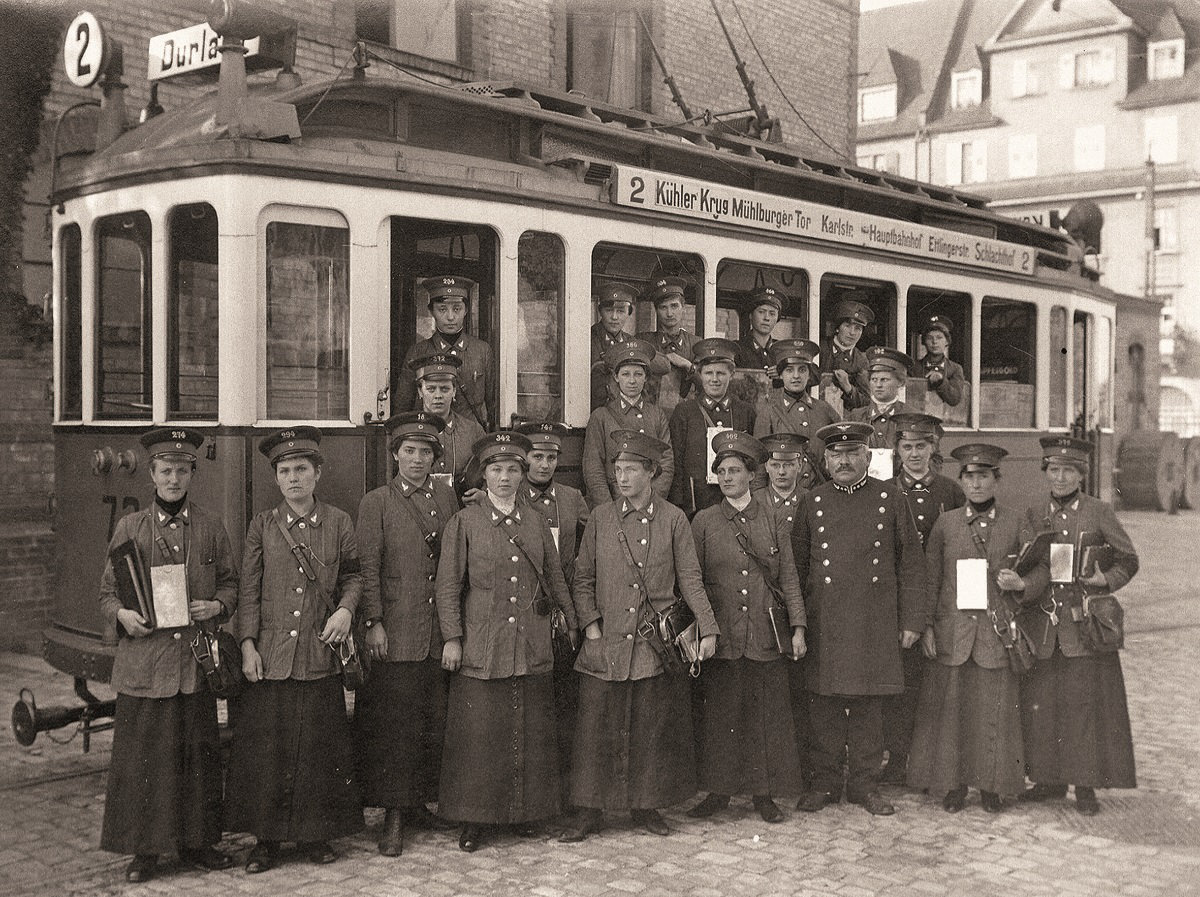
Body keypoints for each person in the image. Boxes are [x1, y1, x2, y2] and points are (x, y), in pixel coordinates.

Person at [561, 430, 719, 841]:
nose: (622, 477)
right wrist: (591, 626)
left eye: (631, 469)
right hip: (606, 641)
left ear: (651, 472)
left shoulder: (673, 519)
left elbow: (691, 579)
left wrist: (708, 628)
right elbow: (582, 579)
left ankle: (645, 807)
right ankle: (589, 811)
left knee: (650, 726)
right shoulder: (600, 517)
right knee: (596, 729)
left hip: (654, 646)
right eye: (617, 469)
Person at [97, 428, 238, 883]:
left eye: (182, 470)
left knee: (198, 758)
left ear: (192, 474)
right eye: (165, 471)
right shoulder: (130, 528)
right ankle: (145, 852)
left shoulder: (211, 526)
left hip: (194, 664)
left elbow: (231, 585)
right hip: (146, 664)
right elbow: (105, 593)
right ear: (153, 476)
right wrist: (122, 616)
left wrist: (216, 606)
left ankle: (200, 844)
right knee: (145, 761)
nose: (173, 478)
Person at [228, 427, 363, 873]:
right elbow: (248, 591)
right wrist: (248, 646)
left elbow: (354, 577)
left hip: (317, 654)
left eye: (301, 469)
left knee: (318, 748)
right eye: (284, 471)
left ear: (318, 473)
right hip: (270, 658)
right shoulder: (262, 526)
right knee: (269, 751)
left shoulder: (340, 523)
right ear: (276, 479)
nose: (293, 478)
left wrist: (345, 611)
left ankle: (315, 835)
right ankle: (265, 841)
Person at [436, 432, 578, 852]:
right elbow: (448, 587)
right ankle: (475, 819)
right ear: (484, 473)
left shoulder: (534, 521)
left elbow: (554, 577)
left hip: (530, 642)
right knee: (480, 734)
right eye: (496, 469)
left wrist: (570, 621)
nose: (504, 477)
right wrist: (452, 638)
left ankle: (524, 814)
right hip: (483, 643)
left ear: (523, 473)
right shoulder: (464, 522)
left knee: (527, 729)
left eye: (512, 469)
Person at [791, 421, 926, 817]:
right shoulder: (812, 502)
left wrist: (912, 622)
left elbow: (912, 565)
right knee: (824, 705)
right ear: (825, 460)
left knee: (869, 705)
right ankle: (826, 782)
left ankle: (866, 785)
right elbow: (797, 569)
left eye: (852, 453)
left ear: (868, 456)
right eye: (836, 454)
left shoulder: (890, 497)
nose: (844, 461)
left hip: (874, 620)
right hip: (826, 620)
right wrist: (798, 624)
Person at [908, 444, 1048, 814]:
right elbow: (930, 578)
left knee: (994, 714)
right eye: (969, 477)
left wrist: (1021, 584)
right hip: (953, 633)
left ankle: (992, 786)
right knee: (953, 713)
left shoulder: (1017, 521)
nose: (977, 484)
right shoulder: (947, 523)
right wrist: (926, 627)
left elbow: (1041, 570)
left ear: (997, 480)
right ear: (962, 481)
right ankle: (953, 785)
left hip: (996, 634)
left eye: (984, 476)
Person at [354, 412, 459, 857]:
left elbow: (453, 563)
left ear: (436, 458)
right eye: (409, 451)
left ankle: (418, 803)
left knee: (431, 719)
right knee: (394, 725)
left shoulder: (446, 497)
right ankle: (394, 813)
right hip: (395, 630)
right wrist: (374, 621)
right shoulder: (376, 502)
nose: (417, 459)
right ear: (395, 454)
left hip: (435, 631)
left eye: (426, 453)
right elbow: (368, 567)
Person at [688, 431, 806, 823]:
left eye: (734, 471)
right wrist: (706, 628)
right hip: (723, 635)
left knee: (764, 718)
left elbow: (788, 575)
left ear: (752, 475)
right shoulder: (704, 521)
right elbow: (694, 579)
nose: (726, 478)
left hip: (765, 633)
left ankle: (763, 795)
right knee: (722, 716)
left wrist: (799, 627)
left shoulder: (771, 517)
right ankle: (718, 793)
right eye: (721, 471)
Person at [1018, 436, 1139, 816]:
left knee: (1083, 707)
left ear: (1081, 475)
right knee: (1043, 706)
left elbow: (1128, 559)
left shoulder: (1099, 511)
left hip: (1083, 628)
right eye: (1054, 469)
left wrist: (1107, 580)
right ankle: (1048, 780)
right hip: (1043, 626)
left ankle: (1085, 784)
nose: (1060, 477)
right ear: (1046, 472)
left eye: (1068, 470)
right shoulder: (1034, 511)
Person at [880, 413, 966, 786]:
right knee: (899, 685)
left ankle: (931, 761)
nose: (914, 454)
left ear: (933, 449)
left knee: (932, 687)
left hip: (940, 600)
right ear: (896, 450)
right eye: (907, 446)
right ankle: (897, 759)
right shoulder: (884, 491)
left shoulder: (950, 492)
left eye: (921, 446)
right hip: (894, 602)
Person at [515, 419, 591, 804]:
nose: (543, 464)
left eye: (551, 457)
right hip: (523, 612)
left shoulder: (571, 498)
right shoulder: (510, 494)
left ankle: (561, 794)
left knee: (562, 702)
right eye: (536, 456)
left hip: (561, 612)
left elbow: (594, 539)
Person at [668, 337, 757, 517]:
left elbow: (753, 460)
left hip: (736, 502)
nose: (714, 379)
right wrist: (678, 506)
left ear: (731, 374)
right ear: (700, 374)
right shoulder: (685, 411)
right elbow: (675, 460)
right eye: (709, 373)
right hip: (694, 505)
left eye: (721, 373)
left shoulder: (745, 412)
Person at [582, 338, 674, 506]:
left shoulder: (656, 414)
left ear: (646, 377)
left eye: (638, 374)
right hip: (615, 501)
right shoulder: (601, 417)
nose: (632, 381)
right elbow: (593, 468)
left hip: (650, 502)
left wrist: (653, 501)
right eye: (625, 374)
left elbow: (666, 461)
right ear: (616, 377)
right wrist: (609, 509)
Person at [397, 275, 493, 429]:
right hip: (429, 438)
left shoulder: (482, 351)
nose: (450, 317)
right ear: (431, 311)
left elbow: (492, 404)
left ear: (466, 310)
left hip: (470, 442)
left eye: (457, 309)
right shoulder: (417, 352)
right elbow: (402, 407)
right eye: (442, 309)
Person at [753, 338, 839, 486]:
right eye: (789, 370)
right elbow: (759, 467)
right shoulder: (769, 412)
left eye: (802, 370)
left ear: (809, 374)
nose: (796, 376)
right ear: (780, 374)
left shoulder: (824, 410)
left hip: (819, 496)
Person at [410, 353, 485, 496]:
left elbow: (488, 470)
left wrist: (482, 493)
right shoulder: (408, 430)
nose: (438, 396)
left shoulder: (473, 430)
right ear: (420, 391)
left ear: (454, 391)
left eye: (445, 389)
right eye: (431, 389)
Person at [590, 282, 668, 410]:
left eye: (621, 311)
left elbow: (664, 365)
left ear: (629, 313)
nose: (614, 317)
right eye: (609, 310)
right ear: (600, 311)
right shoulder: (587, 340)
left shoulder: (630, 342)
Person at [638, 275, 699, 413]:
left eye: (674, 306)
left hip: (685, 417)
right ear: (656, 310)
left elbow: (707, 385)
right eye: (663, 307)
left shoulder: (696, 345)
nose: (669, 313)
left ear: (683, 307)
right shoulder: (644, 341)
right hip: (648, 415)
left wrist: (688, 365)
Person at [847, 345, 914, 449]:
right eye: (874, 379)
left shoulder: (911, 417)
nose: (878, 385)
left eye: (884, 380)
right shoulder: (856, 417)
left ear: (900, 382)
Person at [820, 296, 873, 412]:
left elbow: (866, 402)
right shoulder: (821, 350)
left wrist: (848, 388)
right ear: (838, 328)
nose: (852, 333)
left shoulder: (862, 360)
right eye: (847, 326)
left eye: (858, 328)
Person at [755, 433, 811, 530]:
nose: (781, 472)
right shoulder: (755, 500)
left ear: (800, 465)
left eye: (788, 465)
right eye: (775, 465)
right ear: (766, 467)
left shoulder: (810, 500)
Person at [918, 316, 966, 408]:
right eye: (929, 338)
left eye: (939, 338)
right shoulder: (915, 368)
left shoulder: (955, 369)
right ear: (924, 342)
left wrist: (941, 381)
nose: (934, 342)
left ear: (947, 341)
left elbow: (954, 399)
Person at [734, 286, 783, 370]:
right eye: (761, 312)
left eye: (772, 314)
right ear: (751, 315)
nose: (766, 318)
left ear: (777, 319)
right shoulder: (736, 350)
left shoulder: (783, 351)